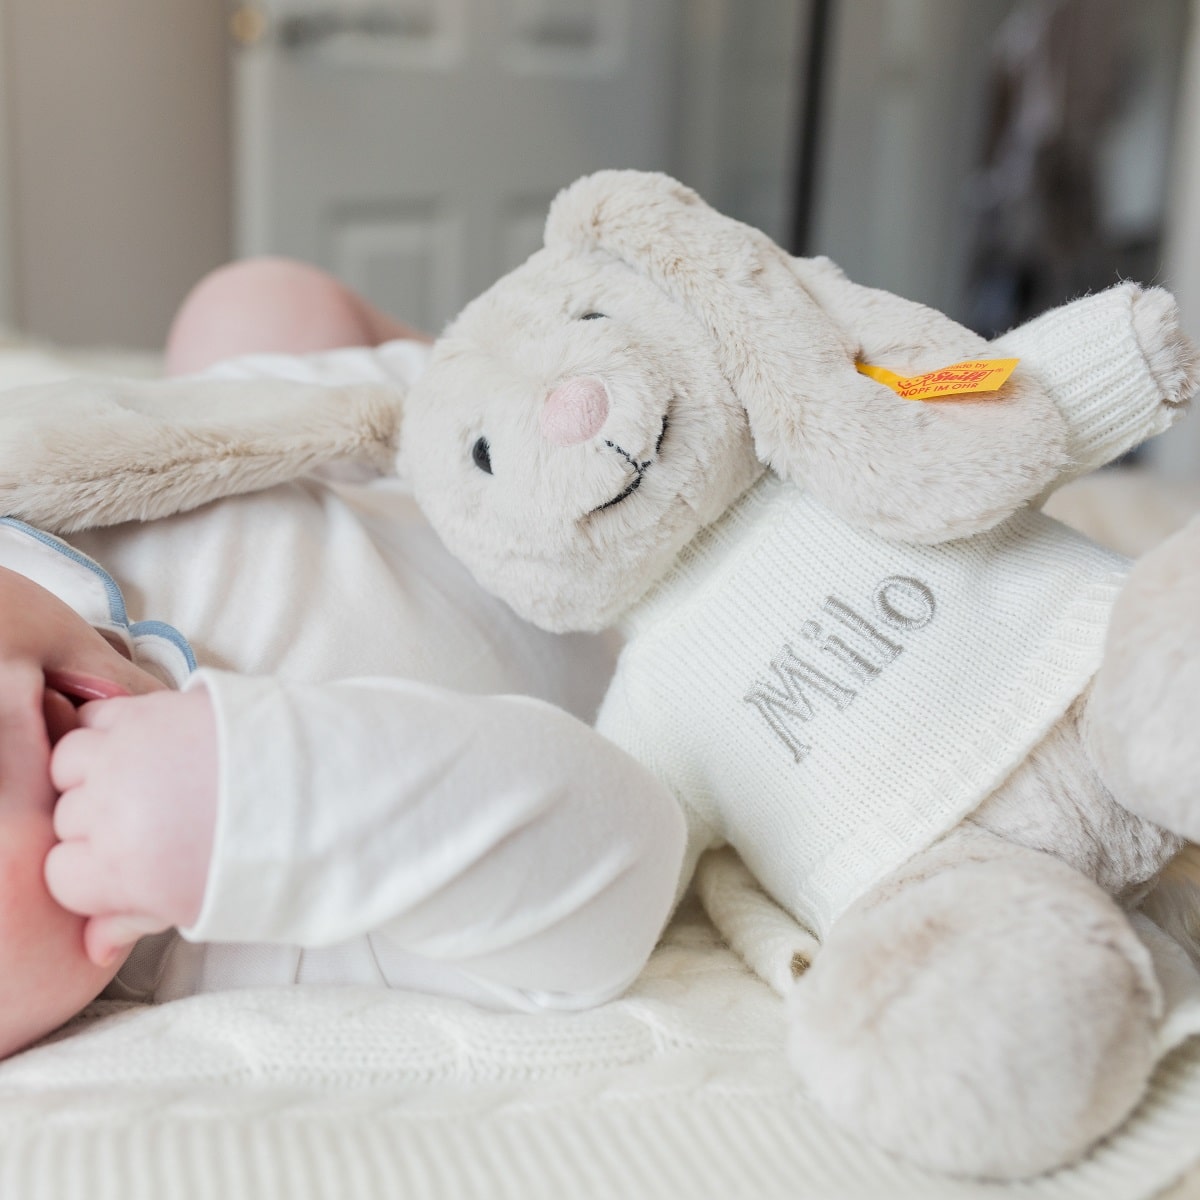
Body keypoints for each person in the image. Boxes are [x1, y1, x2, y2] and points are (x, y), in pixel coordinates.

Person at [0, 258, 687, 1059]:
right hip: (617, 583)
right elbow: (618, 875)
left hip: (408, 439)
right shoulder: (216, 919)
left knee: (251, 305)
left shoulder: (33, 492)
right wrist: (252, 804)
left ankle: (480, 374)